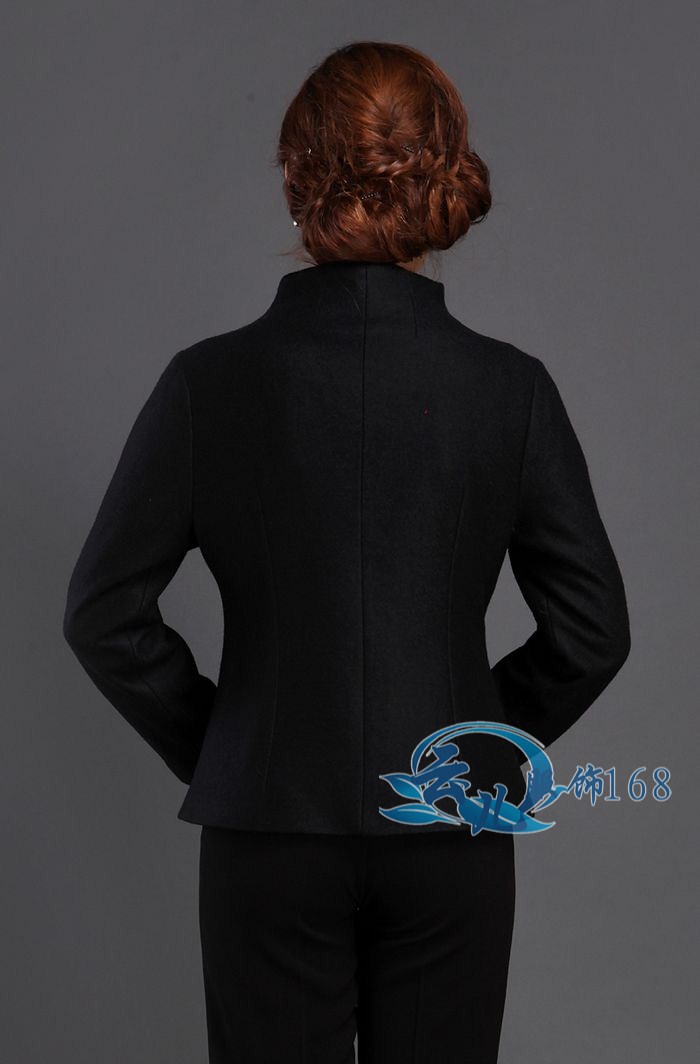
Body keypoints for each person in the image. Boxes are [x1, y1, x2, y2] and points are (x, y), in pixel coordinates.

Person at [62, 40, 631, 1064]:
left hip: (268, 825)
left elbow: (104, 613)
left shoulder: (209, 383)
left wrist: (229, 742)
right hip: (447, 836)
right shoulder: (510, 390)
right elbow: (592, 634)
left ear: (298, 175)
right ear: (440, 175)